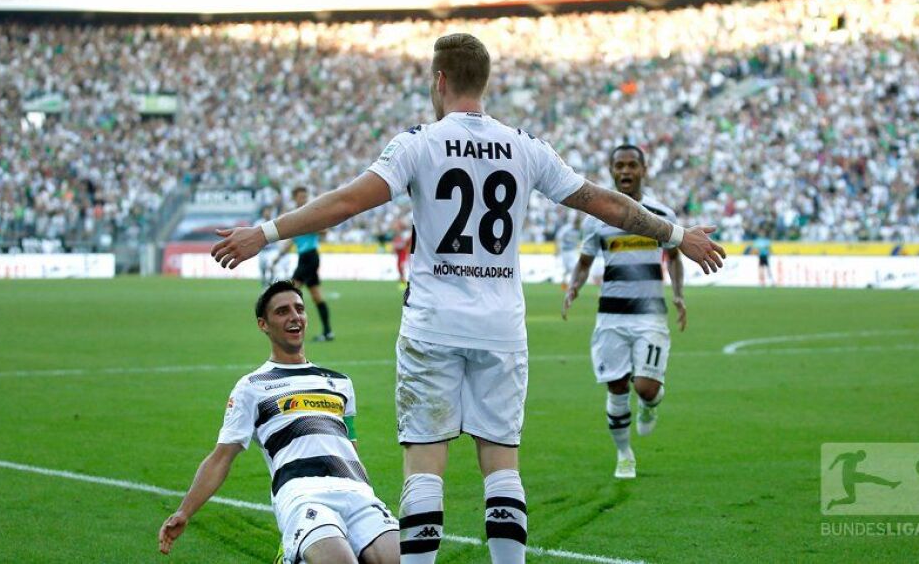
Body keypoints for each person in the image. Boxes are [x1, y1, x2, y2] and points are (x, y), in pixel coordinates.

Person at [211, 33, 725, 563]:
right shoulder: (524, 145)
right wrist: (677, 235)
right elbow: (605, 204)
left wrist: (265, 233)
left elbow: (346, 203)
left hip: (432, 325)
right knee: (502, 466)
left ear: (439, 80)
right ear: (485, 81)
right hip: (501, 328)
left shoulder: (419, 143)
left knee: (425, 466)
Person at [157, 281, 399, 564]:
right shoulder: (252, 386)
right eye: (282, 312)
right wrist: (184, 511)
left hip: (357, 494)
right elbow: (221, 458)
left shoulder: (339, 382)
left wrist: (366, 491)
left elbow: (350, 448)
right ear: (264, 325)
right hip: (302, 495)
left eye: (299, 309)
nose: (294, 317)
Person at [561, 144, 688, 480]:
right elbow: (585, 262)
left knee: (646, 387)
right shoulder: (597, 220)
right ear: (611, 170)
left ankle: (649, 405)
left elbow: (674, 258)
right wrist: (574, 287)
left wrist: (678, 295)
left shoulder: (662, 214)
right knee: (617, 387)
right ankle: (624, 454)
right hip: (611, 317)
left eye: (633, 165)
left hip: (650, 315)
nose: (626, 171)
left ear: (644, 170)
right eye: (620, 166)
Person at [272, 187, 335, 341]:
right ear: (295, 198)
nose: (304, 199)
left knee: (290, 292)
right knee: (316, 296)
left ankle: (286, 331)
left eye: (305, 196)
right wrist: (278, 257)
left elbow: (325, 231)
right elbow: (291, 241)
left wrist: (310, 225)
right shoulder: (293, 217)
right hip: (304, 258)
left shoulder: (312, 214)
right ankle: (328, 332)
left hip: (310, 256)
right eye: (301, 197)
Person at [554, 211, 583, 289]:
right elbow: (558, 237)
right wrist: (557, 249)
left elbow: (581, 239)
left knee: (574, 267)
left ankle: (572, 284)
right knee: (567, 268)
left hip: (572, 251)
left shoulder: (580, 230)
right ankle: (564, 282)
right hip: (565, 251)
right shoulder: (567, 228)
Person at [255, 205, 280, 286]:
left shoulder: (274, 222)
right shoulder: (258, 223)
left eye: (269, 211)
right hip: (262, 250)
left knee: (271, 266)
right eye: (266, 211)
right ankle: (264, 284)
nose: (267, 213)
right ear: (263, 213)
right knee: (262, 269)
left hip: (272, 249)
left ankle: (271, 283)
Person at [391, 218, 411, 289]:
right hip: (399, 255)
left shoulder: (406, 234)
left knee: (403, 267)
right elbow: (396, 244)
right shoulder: (397, 235)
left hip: (405, 254)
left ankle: (405, 282)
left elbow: (406, 243)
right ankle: (402, 281)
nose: (396, 228)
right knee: (399, 267)